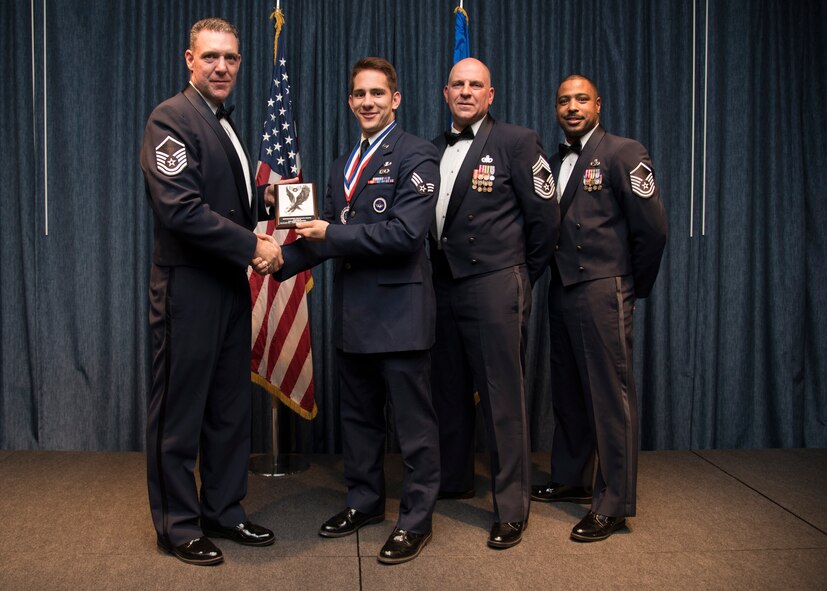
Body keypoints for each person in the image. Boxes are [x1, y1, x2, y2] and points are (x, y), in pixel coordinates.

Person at [262, 57, 441, 565]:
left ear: (396, 99)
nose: (368, 102)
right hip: (355, 320)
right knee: (359, 424)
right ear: (350, 101)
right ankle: (362, 502)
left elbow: (406, 235)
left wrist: (328, 233)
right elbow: (325, 242)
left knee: (413, 428)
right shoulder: (346, 163)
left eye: (377, 94)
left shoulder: (418, 155)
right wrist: (276, 260)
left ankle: (415, 519)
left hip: (401, 320)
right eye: (360, 94)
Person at [140, 17, 281, 566]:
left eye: (231, 58)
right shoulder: (171, 118)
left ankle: (224, 510)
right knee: (180, 409)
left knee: (227, 407)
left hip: (226, 285)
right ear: (190, 60)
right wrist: (251, 244)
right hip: (188, 287)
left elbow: (229, 200)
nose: (222, 66)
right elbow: (180, 210)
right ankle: (178, 524)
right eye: (211, 57)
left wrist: (275, 202)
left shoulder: (224, 123)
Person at [429, 57, 560, 549]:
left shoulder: (517, 142)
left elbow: (545, 219)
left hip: (494, 284)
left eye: (475, 85)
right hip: (442, 285)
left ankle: (511, 507)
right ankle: (454, 478)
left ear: (490, 94)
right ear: (446, 93)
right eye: (458, 85)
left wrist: (518, 275)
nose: (466, 92)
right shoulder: (433, 146)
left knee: (503, 399)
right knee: (448, 393)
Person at [531, 74, 668, 542]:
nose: (572, 107)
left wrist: (627, 286)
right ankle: (570, 476)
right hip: (562, 288)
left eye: (581, 99)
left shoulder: (624, 153)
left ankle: (613, 504)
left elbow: (652, 232)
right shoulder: (550, 161)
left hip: (604, 287)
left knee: (611, 397)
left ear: (599, 105)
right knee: (567, 390)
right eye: (563, 100)